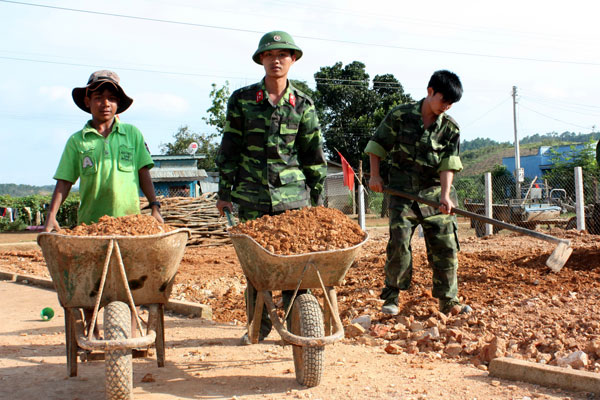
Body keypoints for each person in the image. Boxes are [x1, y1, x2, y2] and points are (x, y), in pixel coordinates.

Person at [216, 31, 327, 345]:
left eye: (283, 55)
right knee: (256, 268)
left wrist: (316, 203)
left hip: (294, 200)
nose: (275, 60)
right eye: (269, 55)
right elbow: (230, 148)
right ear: (261, 59)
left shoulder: (303, 104)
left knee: (295, 265)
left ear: (293, 60)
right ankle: (257, 327)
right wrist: (224, 193)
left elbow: (313, 156)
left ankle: (297, 324)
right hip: (251, 197)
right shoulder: (241, 100)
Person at [43, 69, 163, 338]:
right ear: (88, 101)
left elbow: (144, 172)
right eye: (98, 97)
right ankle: (90, 330)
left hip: (129, 224)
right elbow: (64, 181)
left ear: (119, 103)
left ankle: (131, 332)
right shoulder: (78, 141)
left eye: (111, 98)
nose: (105, 103)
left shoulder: (131, 134)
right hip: (91, 224)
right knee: (91, 280)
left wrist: (155, 206)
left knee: (129, 280)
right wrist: (52, 216)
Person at [365, 70, 471, 316]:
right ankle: (391, 297)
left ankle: (448, 300)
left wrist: (445, 195)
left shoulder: (450, 129)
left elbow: (448, 164)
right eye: (443, 100)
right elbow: (378, 145)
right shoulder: (400, 116)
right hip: (402, 192)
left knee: (446, 245)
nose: (446, 106)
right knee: (399, 243)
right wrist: (375, 175)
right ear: (430, 91)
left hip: (435, 193)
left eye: (451, 103)